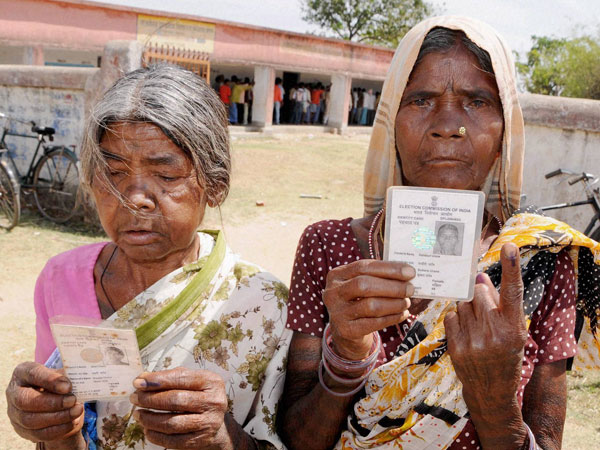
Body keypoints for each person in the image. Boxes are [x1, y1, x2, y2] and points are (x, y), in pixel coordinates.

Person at [277, 16, 600, 450]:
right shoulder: (329, 249)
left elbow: (546, 440)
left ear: (506, 130)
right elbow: (295, 440)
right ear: (391, 121)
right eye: (422, 99)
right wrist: (346, 359)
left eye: (477, 101)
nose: (448, 124)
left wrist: (494, 403)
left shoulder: (539, 259)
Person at [6, 64, 291, 450]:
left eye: (166, 176)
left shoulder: (260, 302)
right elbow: (61, 429)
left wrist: (222, 439)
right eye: (113, 173)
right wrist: (47, 422)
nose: (135, 197)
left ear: (216, 185)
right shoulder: (61, 279)